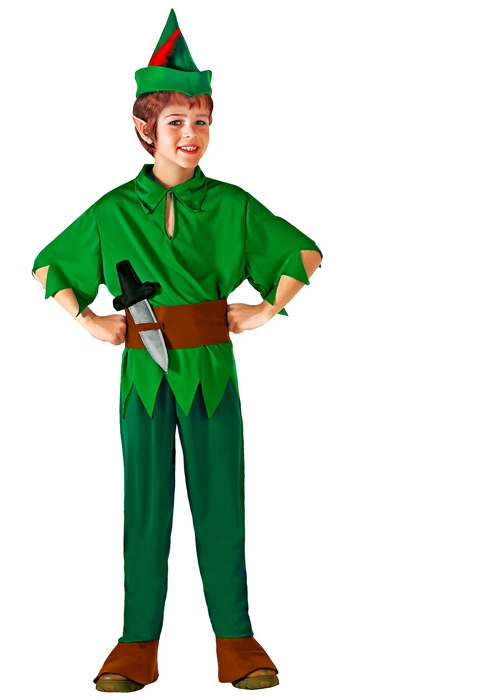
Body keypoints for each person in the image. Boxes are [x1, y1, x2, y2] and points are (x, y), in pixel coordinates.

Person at [33, 9, 322, 693]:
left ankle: (235, 638)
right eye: (175, 122)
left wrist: (265, 309)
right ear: (146, 128)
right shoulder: (114, 210)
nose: (190, 135)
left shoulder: (231, 205)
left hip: (211, 367)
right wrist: (91, 322)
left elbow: (303, 252)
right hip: (144, 370)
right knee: (146, 502)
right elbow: (50, 265)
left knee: (221, 500)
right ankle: (137, 641)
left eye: (201, 121)